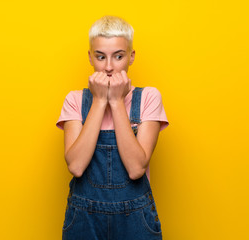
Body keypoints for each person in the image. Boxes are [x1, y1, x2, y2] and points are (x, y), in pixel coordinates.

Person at [56, 15, 169, 240]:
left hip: (135, 219)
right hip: (84, 220)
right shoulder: (75, 100)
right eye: (100, 57)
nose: (109, 67)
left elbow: (136, 168)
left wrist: (116, 101)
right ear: (90, 58)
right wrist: (99, 101)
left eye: (118, 56)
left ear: (131, 56)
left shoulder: (148, 97)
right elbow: (76, 166)